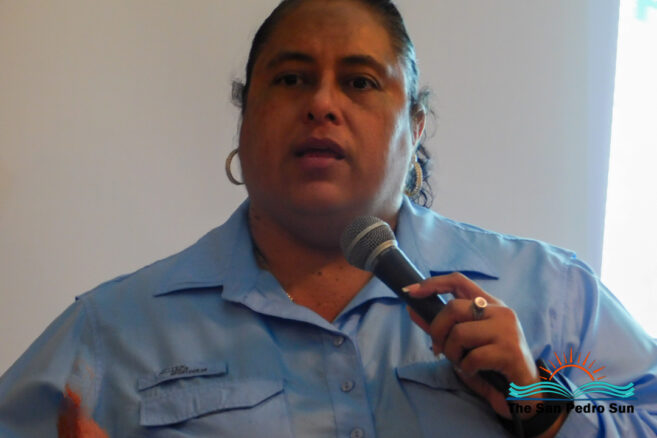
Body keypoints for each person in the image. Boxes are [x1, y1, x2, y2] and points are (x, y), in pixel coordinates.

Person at [1, 0, 656, 436]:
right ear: (244, 120)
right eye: (290, 79)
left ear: (415, 126)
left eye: (360, 81)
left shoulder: (553, 294)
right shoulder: (112, 331)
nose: (321, 103)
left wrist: (543, 404)